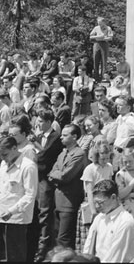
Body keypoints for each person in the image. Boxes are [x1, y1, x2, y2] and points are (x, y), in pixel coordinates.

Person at [48, 124, 87, 249]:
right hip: (58, 200)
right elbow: (51, 172)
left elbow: (65, 176)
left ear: (74, 137)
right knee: (56, 236)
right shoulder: (63, 153)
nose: (61, 138)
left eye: (65, 135)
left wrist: (55, 175)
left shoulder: (79, 154)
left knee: (64, 239)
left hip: (69, 202)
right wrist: (55, 174)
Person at [81, 179, 134, 262]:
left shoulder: (125, 222)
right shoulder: (99, 218)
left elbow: (116, 257)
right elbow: (88, 246)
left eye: (101, 202)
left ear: (113, 197)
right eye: (95, 203)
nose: (97, 206)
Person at [32, 108, 64, 261]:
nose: (38, 124)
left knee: (44, 213)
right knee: (36, 212)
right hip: (36, 178)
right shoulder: (39, 137)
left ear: (49, 122)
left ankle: (43, 248)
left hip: (46, 180)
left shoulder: (55, 137)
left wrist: (35, 149)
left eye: (41, 121)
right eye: (37, 120)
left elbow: (43, 158)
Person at [0, 136, 37, 262]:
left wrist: (11, 211)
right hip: (2, 215)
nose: (3, 158)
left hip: (17, 219)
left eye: (5, 154)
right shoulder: (3, 164)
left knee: (16, 257)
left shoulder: (28, 166)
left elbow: (30, 195)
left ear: (14, 148)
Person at [75, 143, 113, 252]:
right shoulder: (90, 169)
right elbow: (89, 192)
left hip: (105, 203)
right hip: (92, 203)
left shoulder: (109, 167)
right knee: (89, 236)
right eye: (102, 158)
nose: (105, 160)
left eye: (107, 158)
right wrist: (93, 210)